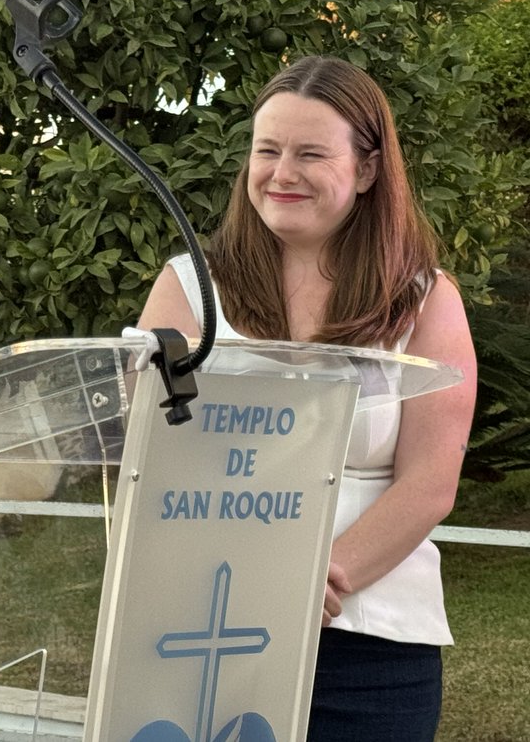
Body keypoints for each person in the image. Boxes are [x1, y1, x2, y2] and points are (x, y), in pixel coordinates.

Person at [137, 55, 476, 741]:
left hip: (370, 648)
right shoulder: (188, 288)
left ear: (368, 170)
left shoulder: (425, 301)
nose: (281, 174)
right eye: (268, 151)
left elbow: (430, 484)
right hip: (202, 628)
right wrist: (248, 582)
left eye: (311, 154)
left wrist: (311, 580)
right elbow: (148, 458)